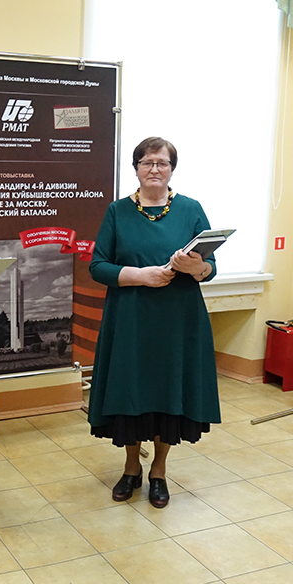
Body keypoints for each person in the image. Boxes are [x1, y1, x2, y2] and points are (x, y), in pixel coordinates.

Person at [87, 137, 222, 508]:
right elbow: (98, 266)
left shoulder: (191, 209)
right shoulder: (117, 211)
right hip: (130, 320)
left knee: (168, 392)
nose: (155, 169)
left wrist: (197, 267)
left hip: (178, 321)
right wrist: (141, 276)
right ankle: (131, 467)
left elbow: (210, 269)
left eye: (162, 163)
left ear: (172, 169)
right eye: (147, 162)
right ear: (136, 168)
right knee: (130, 391)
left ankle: (158, 471)